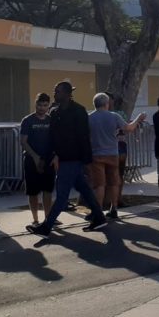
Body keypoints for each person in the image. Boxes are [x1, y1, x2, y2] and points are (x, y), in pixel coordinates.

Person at [27, 81, 106, 236]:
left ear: (67, 94)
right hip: (63, 158)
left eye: (57, 91)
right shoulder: (55, 113)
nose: (55, 94)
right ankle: (100, 218)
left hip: (74, 159)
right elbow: (52, 138)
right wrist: (46, 157)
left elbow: (84, 137)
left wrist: (87, 161)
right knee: (84, 189)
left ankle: (46, 226)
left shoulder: (79, 111)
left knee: (62, 195)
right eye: (55, 91)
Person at [88, 93, 145, 220]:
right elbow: (128, 128)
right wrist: (138, 118)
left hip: (96, 154)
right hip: (112, 153)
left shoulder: (89, 118)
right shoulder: (114, 116)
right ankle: (114, 208)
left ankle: (98, 210)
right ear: (107, 103)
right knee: (113, 182)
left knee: (99, 184)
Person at [20, 92, 56, 225]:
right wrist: (35, 157)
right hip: (31, 160)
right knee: (33, 192)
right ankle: (35, 219)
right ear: (35, 104)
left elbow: (57, 140)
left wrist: (56, 156)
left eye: (45, 105)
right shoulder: (28, 120)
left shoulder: (51, 120)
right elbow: (23, 141)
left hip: (48, 160)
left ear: (48, 106)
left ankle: (48, 218)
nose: (42, 108)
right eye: (39, 105)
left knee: (48, 191)